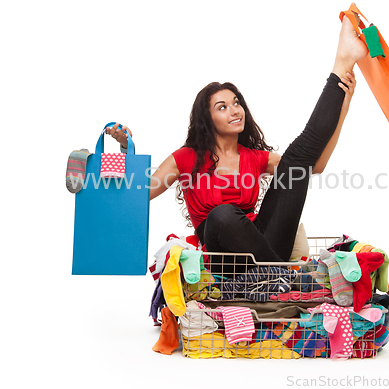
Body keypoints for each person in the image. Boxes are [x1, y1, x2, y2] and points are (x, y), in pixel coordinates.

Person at [106, 16, 368, 275]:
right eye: (222, 107)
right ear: (207, 119)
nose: (235, 111)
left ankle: (342, 64)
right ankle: (282, 275)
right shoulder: (186, 158)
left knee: (295, 159)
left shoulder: (255, 158)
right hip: (224, 258)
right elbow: (139, 195)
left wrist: (343, 110)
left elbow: (315, 166)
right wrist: (125, 151)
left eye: (236, 103)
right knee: (222, 215)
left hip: (266, 246)